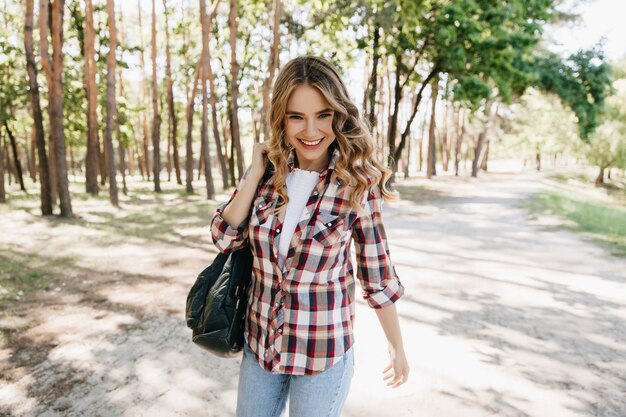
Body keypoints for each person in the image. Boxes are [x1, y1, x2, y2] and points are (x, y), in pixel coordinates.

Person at [210, 56, 409, 417]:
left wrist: (396, 346)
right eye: (296, 116)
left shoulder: (358, 184)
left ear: (338, 115)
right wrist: (254, 175)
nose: (311, 130)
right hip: (262, 346)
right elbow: (224, 237)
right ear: (281, 119)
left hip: (323, 352)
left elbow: (377, 276)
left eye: (323, 115)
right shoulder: (267, 174)